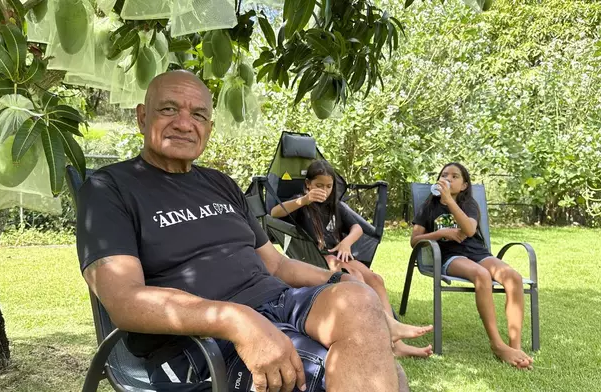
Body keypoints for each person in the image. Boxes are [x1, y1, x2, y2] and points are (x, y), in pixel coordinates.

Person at [76, 70, 407, 392]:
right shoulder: (109, 188)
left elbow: (277, 266)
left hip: (279, 304)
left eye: (198, 114)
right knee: (370, 374)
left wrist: (341, 280)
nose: (183, 123)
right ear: (141, 117)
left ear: (209, 127)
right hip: (200, 342)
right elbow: (124, 300)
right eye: (168, 109)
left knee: (359, 303)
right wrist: (236, 320)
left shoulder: (220, 184)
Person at [270, 159, 433, 358]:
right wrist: (305, 199)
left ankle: (396, 345)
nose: (325, 190)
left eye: (329, 186)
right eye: (319, 185)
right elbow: (274, 213)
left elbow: (357, 227)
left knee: (376, 279)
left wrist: (346, 243)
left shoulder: (334, 206)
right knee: (356, 277)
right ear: (308, 184)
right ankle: (384, 329)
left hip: (339, 253)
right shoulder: (301, 203)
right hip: (317, 258)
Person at [410, 162, 534, 370]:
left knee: (513, 277)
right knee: (481, 275)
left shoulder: (469, 205)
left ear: (465, 185)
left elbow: (468, 229)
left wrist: (449, 201)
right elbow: (414, 240)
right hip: (450, 256)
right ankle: (497, 344)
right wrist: (441, 233)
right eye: (444, 175)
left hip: (478, 253)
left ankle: (515, 346)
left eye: (455, 176)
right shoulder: (428, 207)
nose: (448, 178)